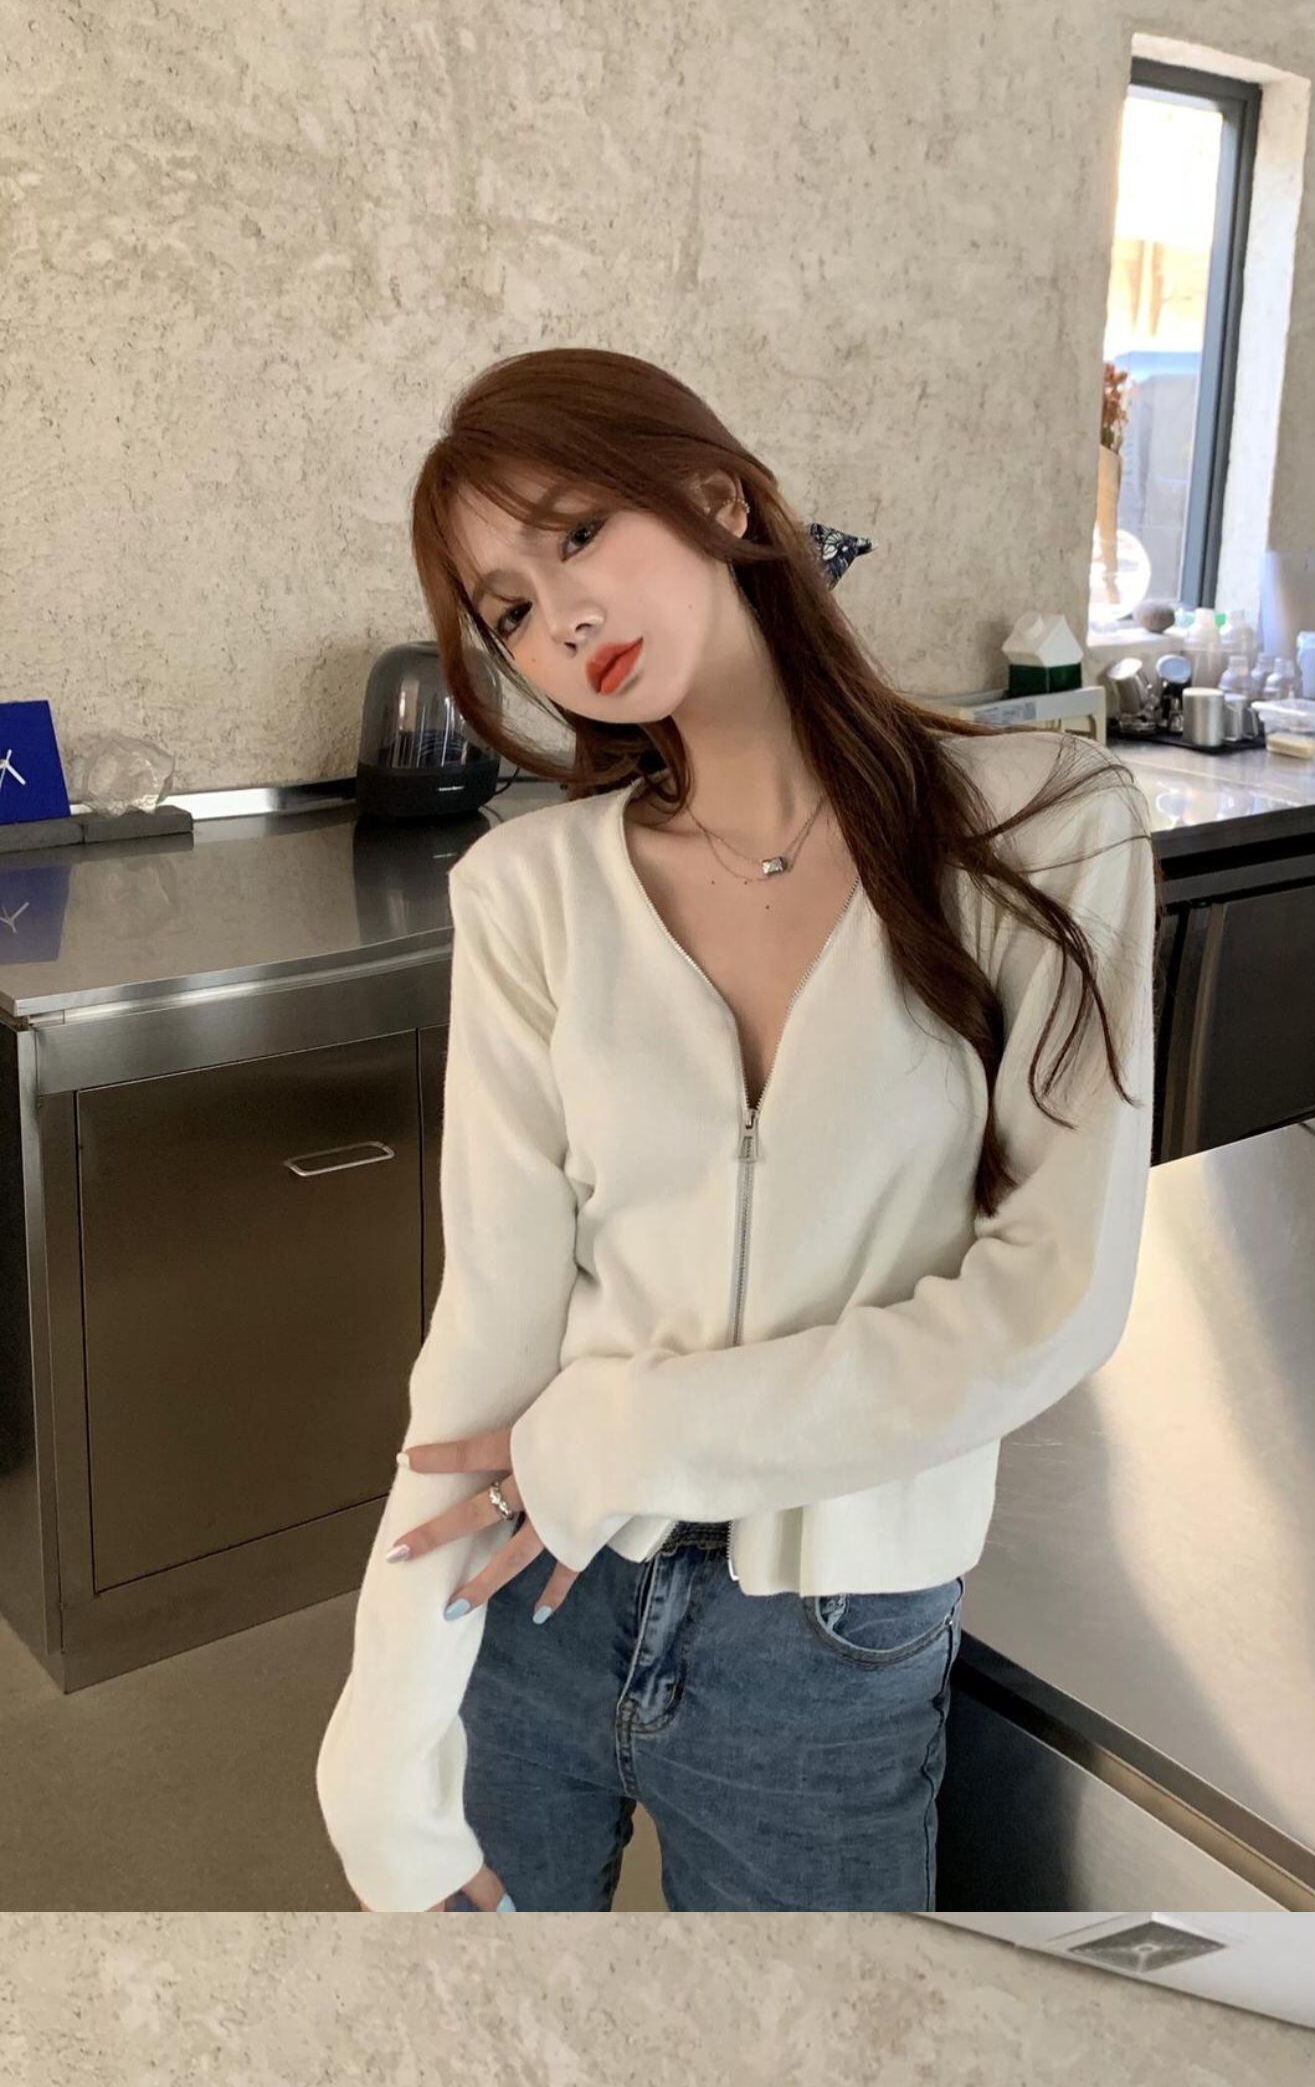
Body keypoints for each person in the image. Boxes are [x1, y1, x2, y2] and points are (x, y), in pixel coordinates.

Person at [315, 345, 1162, 1913]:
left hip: (829, 1645)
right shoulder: (528, 894)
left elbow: (1049, 1299)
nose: (562, 619)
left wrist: (626, 1434)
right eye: (509, 608)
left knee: (798, 2068)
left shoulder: (1046, 829)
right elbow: (488, 1335)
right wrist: (381, 1738)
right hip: (537, 1598)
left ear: (718, 496)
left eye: (578, 532)